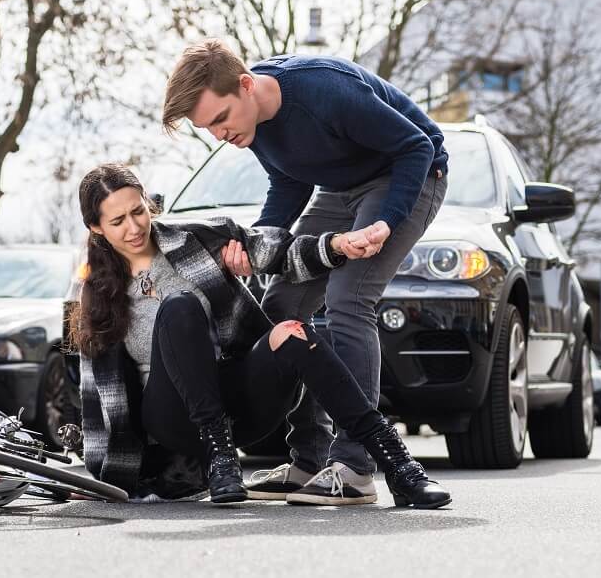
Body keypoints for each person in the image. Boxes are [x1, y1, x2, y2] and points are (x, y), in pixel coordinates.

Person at [161, 39, 449, 505]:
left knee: (349, 298)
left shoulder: (324, 90)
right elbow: (289, 180)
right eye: (207, 128)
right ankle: (310, 460)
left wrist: (386, 221)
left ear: (246, 85)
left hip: (407, 176)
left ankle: (356, 465)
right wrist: (258, 244)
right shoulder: (252, 123)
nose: (219, 134)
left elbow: (415, 146)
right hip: (339, 191)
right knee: (280, 306)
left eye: (220, 119)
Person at [73, 163, 450, 508]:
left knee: (292, 332)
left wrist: (335, 245)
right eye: (118, 221)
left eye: (138, 212)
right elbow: (97, 395)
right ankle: (220, 457)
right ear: (96, 228)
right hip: (174, 422)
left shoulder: (199, 239)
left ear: (148, 204)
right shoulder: (91, 293)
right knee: (180, 306)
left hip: (241, 401)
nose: (134, 227)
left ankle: (399, 465)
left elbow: (278, 253)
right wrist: (107, 477)